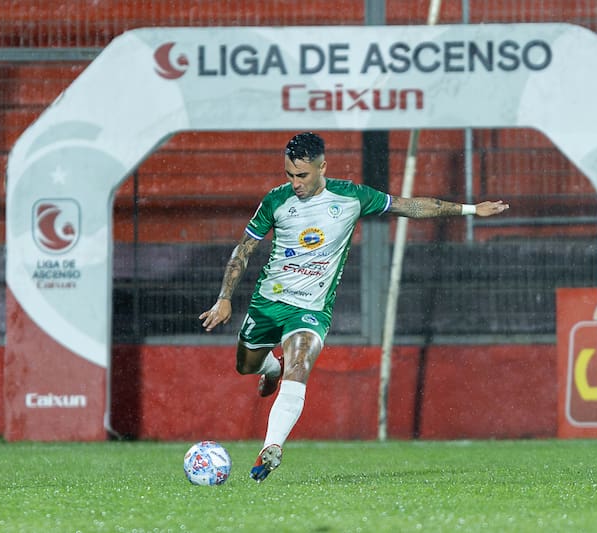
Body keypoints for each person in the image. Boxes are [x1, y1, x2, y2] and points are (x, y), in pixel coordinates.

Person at [199, 131, 509, 482]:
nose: (295, 183)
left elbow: (410, 206)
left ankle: (272, 447)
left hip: (312, 309)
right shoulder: (275, 201)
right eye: (289, 175)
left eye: (302, 175)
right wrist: (225, 297)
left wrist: (470, 209)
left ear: (322, 168)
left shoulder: (351, 197)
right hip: (268, 303)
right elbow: (244, 249)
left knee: (300, 363)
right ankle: (271, 368)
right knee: (245, 365)